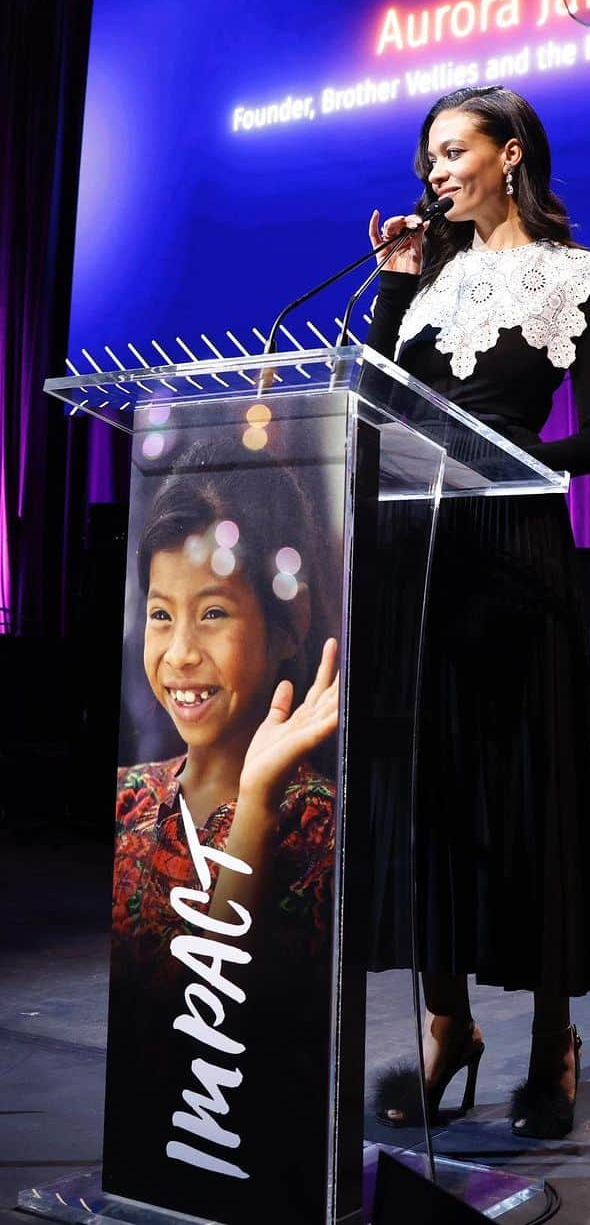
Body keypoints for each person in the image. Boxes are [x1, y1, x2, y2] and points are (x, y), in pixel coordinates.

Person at [364, 85, 590, 1140]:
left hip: (517, 553)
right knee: (432, 795)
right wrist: (392, 291)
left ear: (509, 156)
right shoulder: (427, 283)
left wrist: (498, 463)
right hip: (421, 560)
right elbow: (378, 407)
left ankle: (553, 1042)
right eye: (427, 155)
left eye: (452, 151)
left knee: (528, 792)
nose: (433, 171)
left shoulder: (576, 280)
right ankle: (449, 1028)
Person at [106, 450, 341, 1218]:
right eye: (161, 614)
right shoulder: (130, 799)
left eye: (213, 613)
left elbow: (232, 1007)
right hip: (145, 1154)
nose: (179, 653)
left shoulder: (313, 818)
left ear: (287, 626)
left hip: (250, 1159)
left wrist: (255, 799)